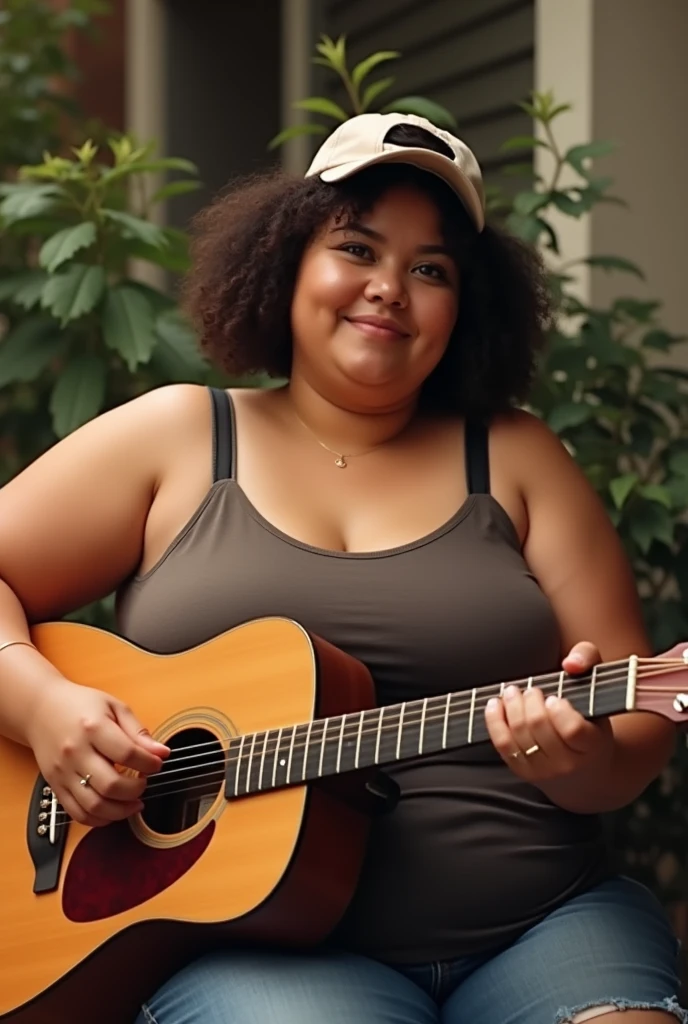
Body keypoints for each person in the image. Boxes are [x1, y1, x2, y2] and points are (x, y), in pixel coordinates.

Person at [0, 112, 684, 1024]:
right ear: (286, 263)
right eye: (357, 247)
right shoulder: (178, 437)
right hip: (257, 957)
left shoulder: (518, 459)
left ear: (465, 308)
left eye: (430, 269)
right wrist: (41, 702)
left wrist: (576, 761)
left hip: (540, 928)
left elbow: (635, 734)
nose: (390, 288)